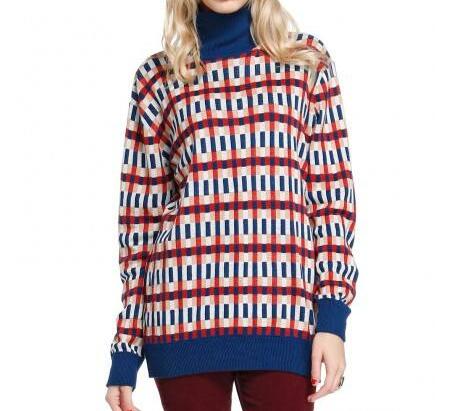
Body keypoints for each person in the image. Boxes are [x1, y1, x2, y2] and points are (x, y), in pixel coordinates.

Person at [105, 0, 359, 410]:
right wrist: (127, 346)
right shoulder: (157, 78)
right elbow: (140, 223)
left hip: (286, 314)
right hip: (182, 316)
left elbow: (331, 198)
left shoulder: (307, 62)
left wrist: (332, 317)